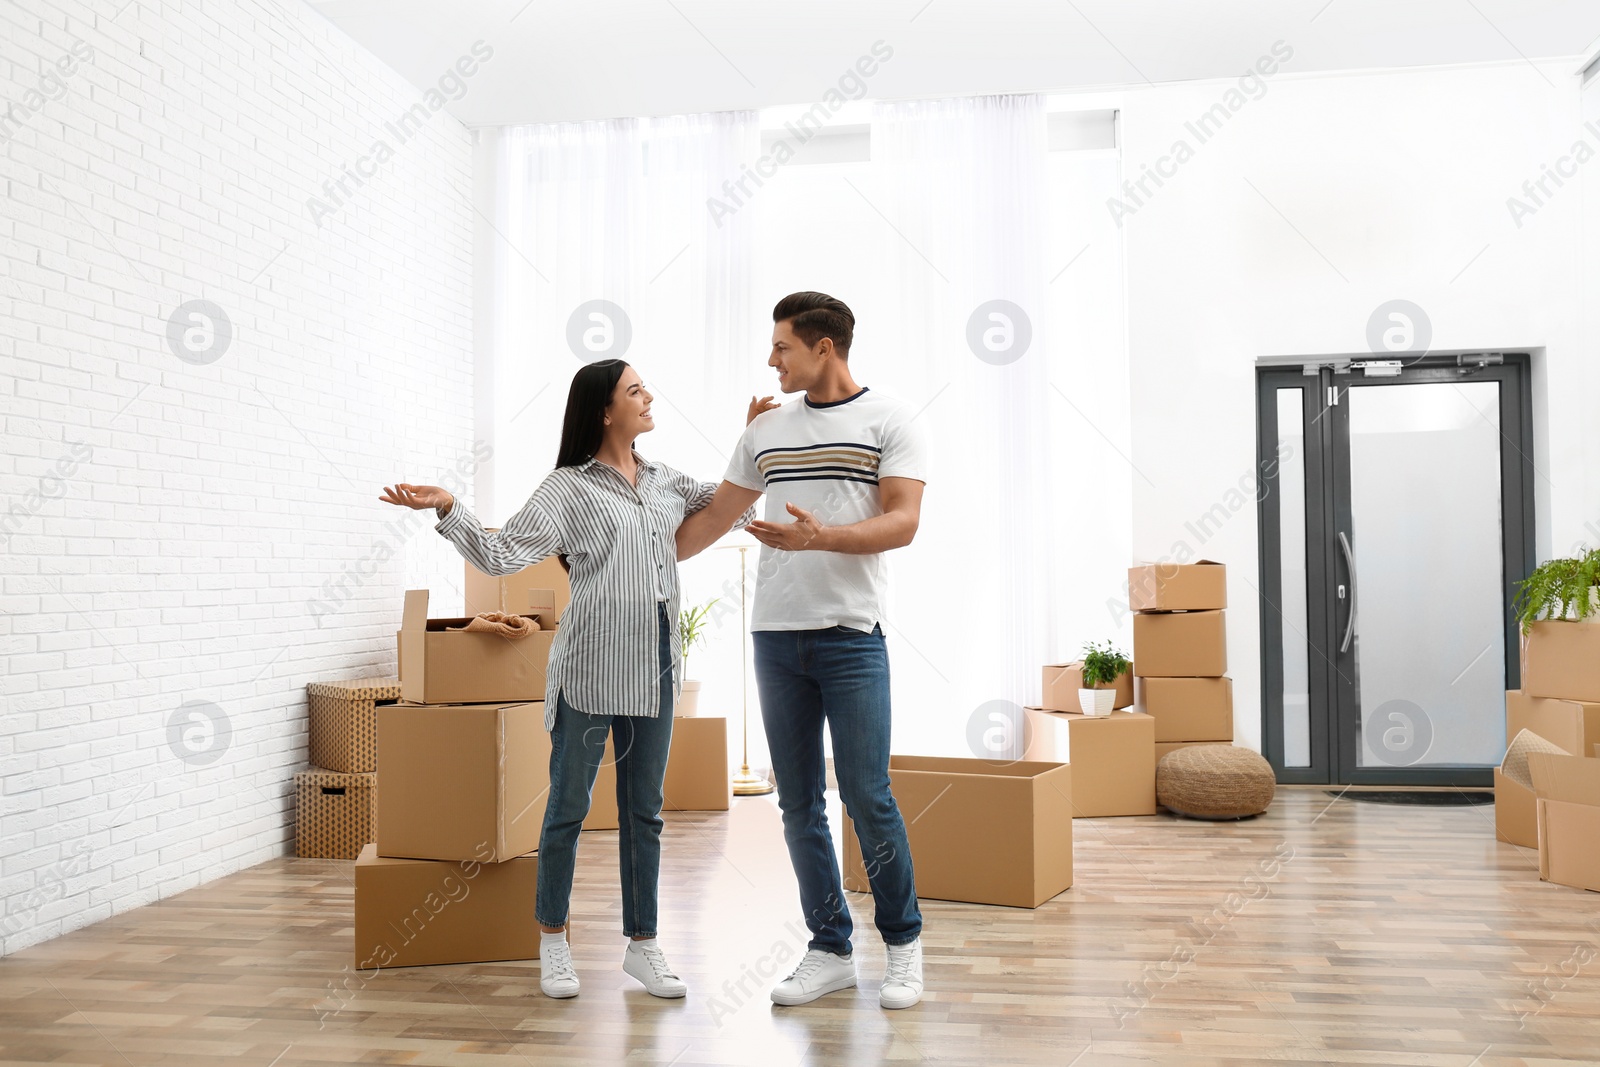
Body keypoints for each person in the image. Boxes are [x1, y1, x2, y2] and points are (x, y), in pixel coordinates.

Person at [381, 359, 750, 1000]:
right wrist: (449, 508)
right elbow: (500, 555)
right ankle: (552, 939)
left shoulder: (664, 481)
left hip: (656, 670)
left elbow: (726, 508)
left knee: (645, 812)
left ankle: (644, 945)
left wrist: (753, 442)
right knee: (568, 809)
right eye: (635, 390)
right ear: (605, 411)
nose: (648, 396)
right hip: (589, 671)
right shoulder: (567, 490)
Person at [677, 292, 929, 1010]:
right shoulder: (764, 430)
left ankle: (904, 945)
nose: (770, 358)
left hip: (852, 635)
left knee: (867, 797)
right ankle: (829, 949)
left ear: (825, 347)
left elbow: (904, 521)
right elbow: (713, 520)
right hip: (775, 636)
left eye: (782, 345)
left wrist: (822, 538)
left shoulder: (891, 418)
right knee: (796, 805)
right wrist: (634, 558)